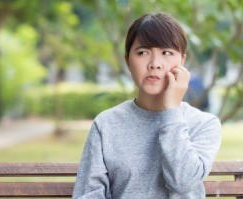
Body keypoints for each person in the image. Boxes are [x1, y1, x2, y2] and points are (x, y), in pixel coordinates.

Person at [73, 12, 221, 199]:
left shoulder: (204, 124)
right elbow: (89, 194)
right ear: (128, 60)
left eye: (166, 53)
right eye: (143, 52)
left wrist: (172, 112)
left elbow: (182, 183)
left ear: (182, 61)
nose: (154, 64)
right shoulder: (106, 124)